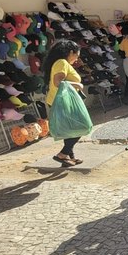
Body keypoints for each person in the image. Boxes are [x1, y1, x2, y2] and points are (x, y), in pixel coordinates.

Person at [42, 39, 86, 167]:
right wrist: (78, 84)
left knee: (70, 129)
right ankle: (62, 154)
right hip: (62, 102)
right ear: (71, 52)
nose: (77, 58)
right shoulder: (61, 63)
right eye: (77, 54)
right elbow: (58, 82)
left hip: (60, 101)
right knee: (81, 127)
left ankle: (69, 156)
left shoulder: (60, 63)